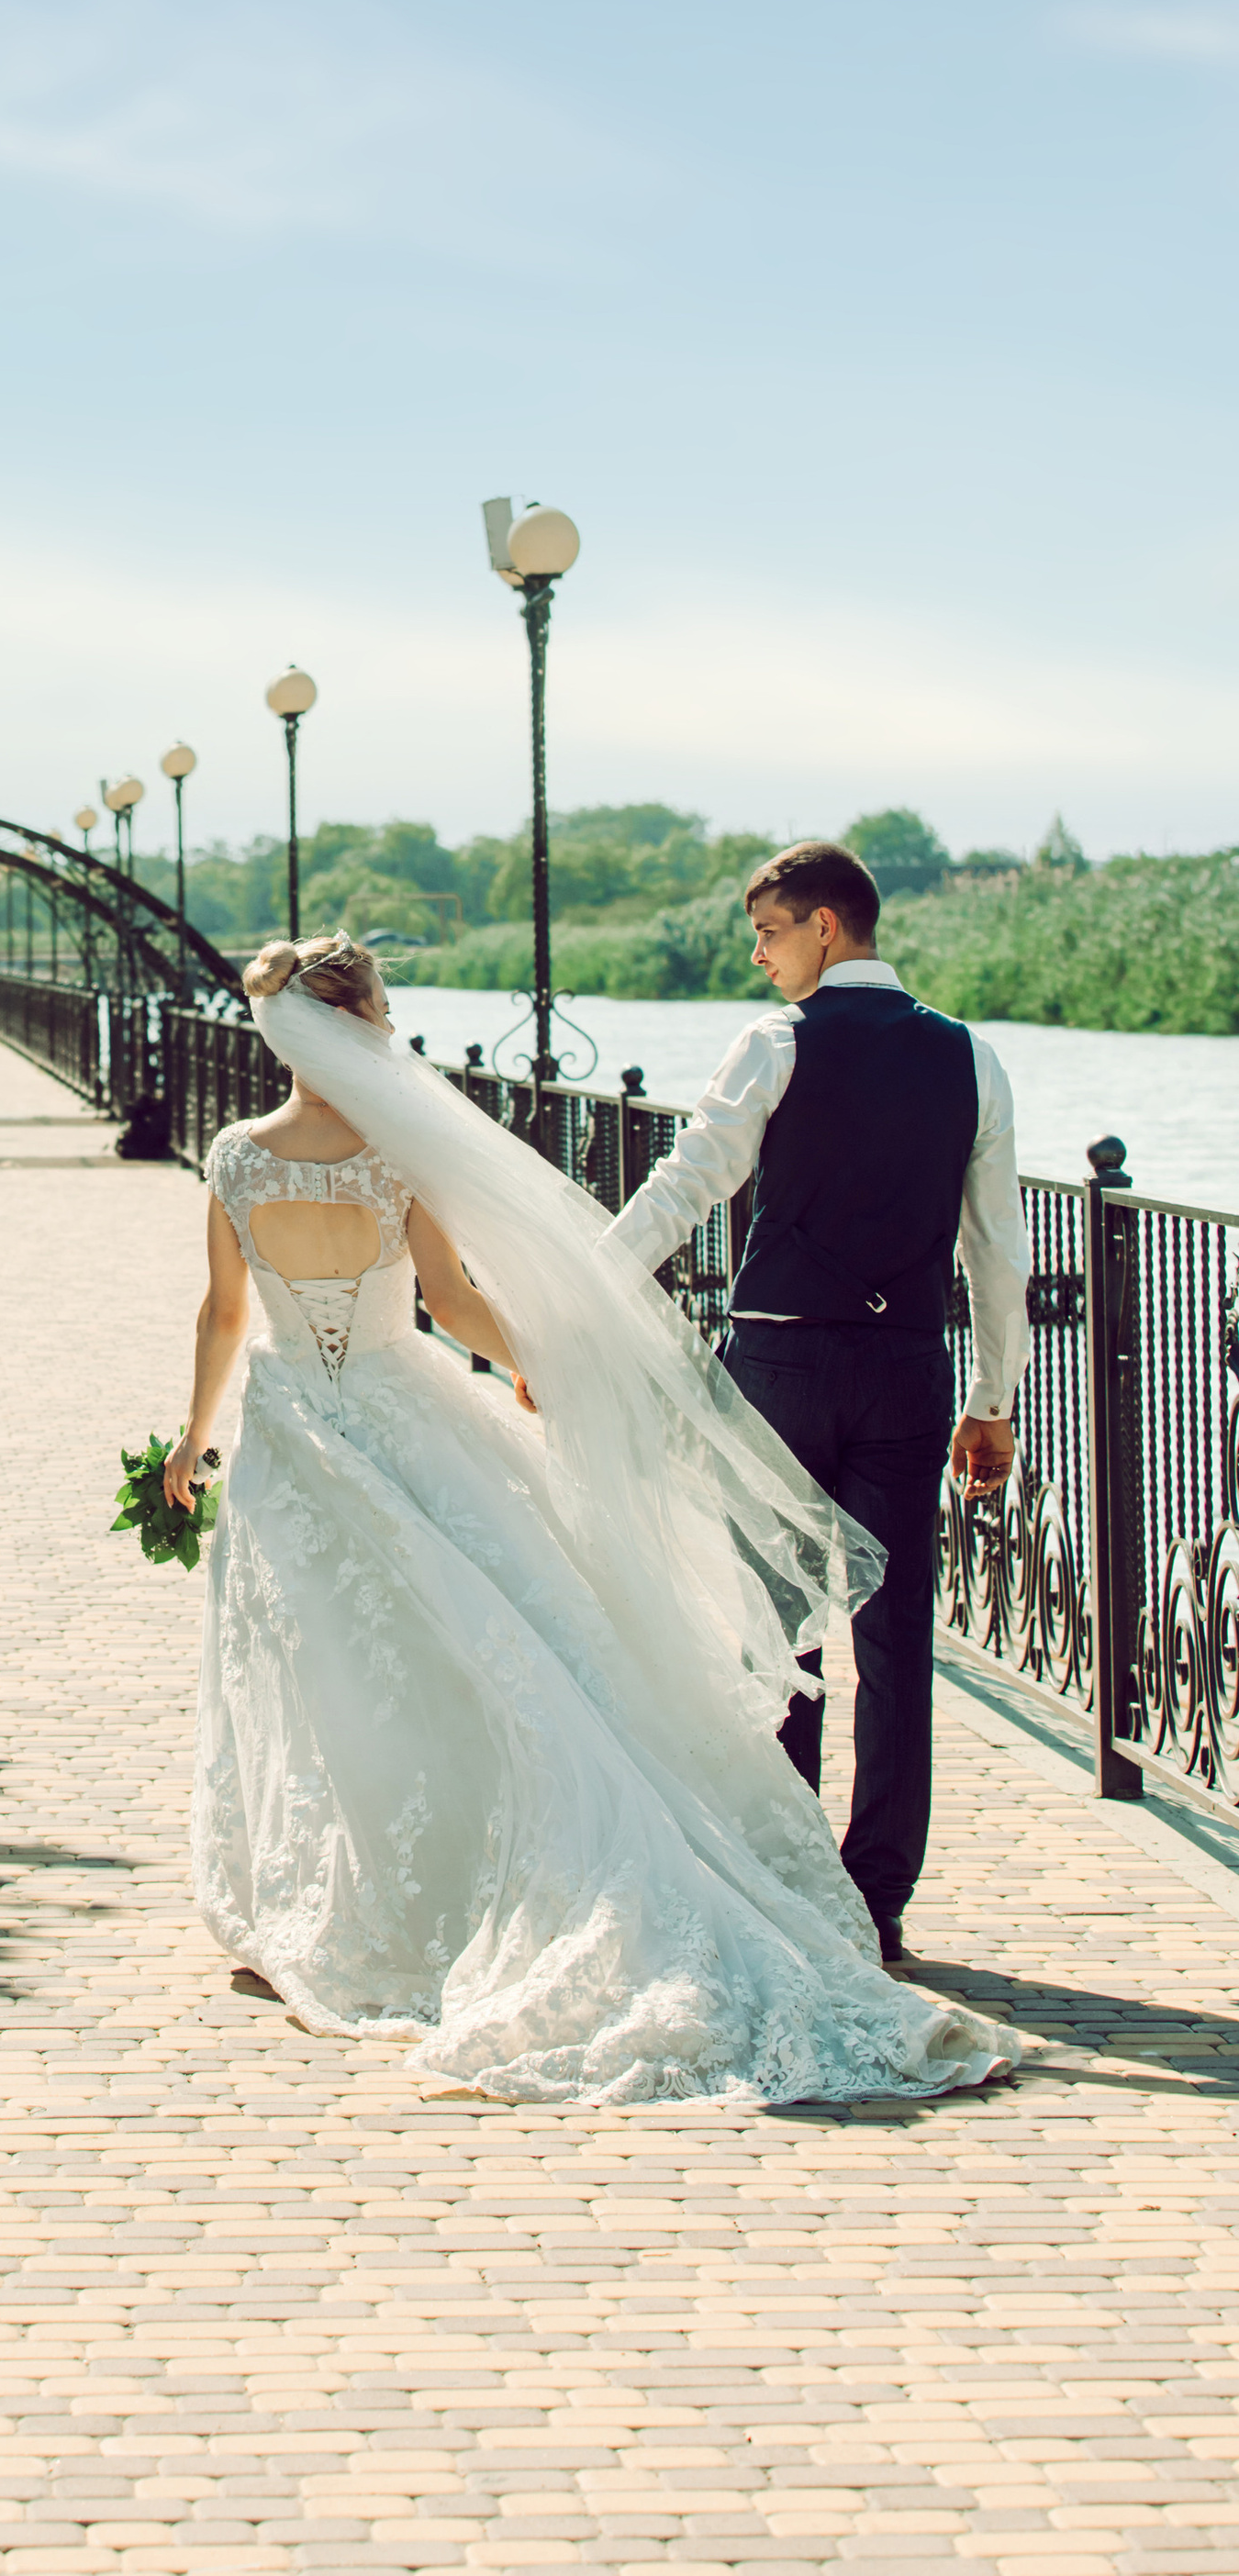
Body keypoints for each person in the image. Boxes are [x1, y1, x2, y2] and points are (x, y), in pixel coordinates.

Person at [163, 931, 1012, 2106]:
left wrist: (192, 1436)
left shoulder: (235, 1157)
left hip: (290, 1430)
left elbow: (223, 1312)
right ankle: (471, 1874)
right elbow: (451, 1303)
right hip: (404, 1412)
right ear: (360, 1023)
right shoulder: (397, 1155)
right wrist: (538, 1363)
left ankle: (337, 1893)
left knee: (319, 1661)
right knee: (475, 1648)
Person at [605, 841, 1030, 1968]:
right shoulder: (970, 1057)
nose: (760, 957)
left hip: (781, 1368)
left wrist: (584, 1291)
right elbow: (997, 1250)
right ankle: (876, 1898)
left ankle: (794, 1885)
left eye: (769, 934)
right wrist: (990, 1400)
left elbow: (688, 1186)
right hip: (906, 1371)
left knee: (779, 1632)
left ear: (825, 928)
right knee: (896, 1643)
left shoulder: (776, 1043)